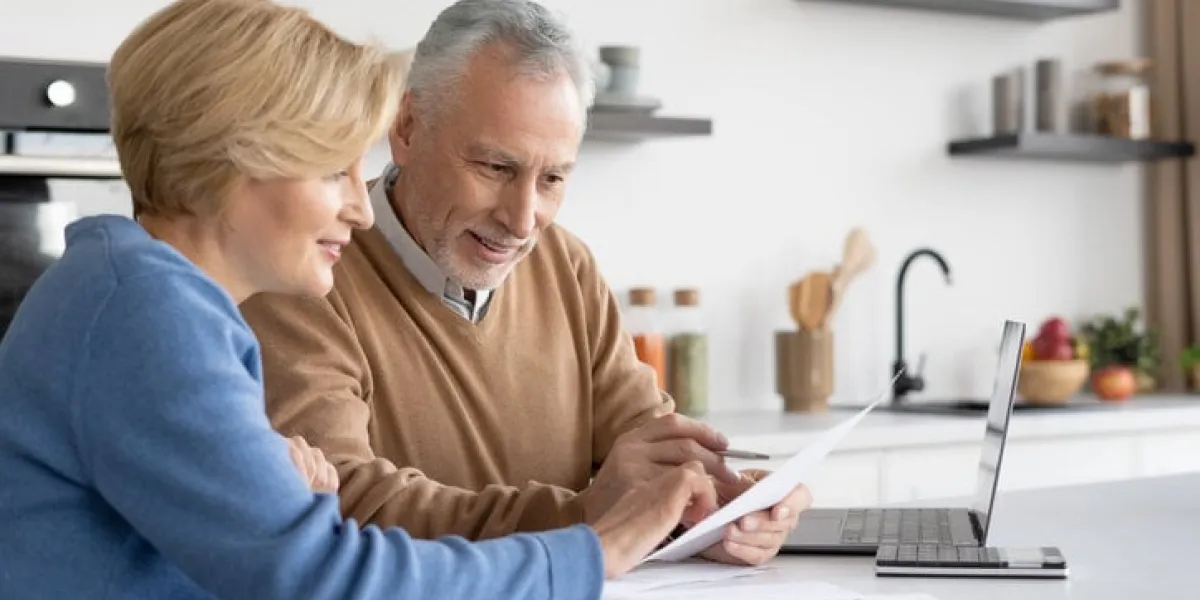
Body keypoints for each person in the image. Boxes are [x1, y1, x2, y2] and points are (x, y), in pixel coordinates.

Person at [0, 1, 723, 598]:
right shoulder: (148, 316)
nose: (361, 208)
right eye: (332, 171)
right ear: (237, 163)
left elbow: (280, 549)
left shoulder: (138, 294)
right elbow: (324, 575)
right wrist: (592, 550)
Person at [240, 0, 811, 566]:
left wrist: (727, 501)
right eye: (496, 168)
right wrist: (587, 520)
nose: (522, 219)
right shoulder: (303, 274)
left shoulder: (567, 265)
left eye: (554, 178)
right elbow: (346, 501)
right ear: (408, 128)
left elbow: (647, 442)